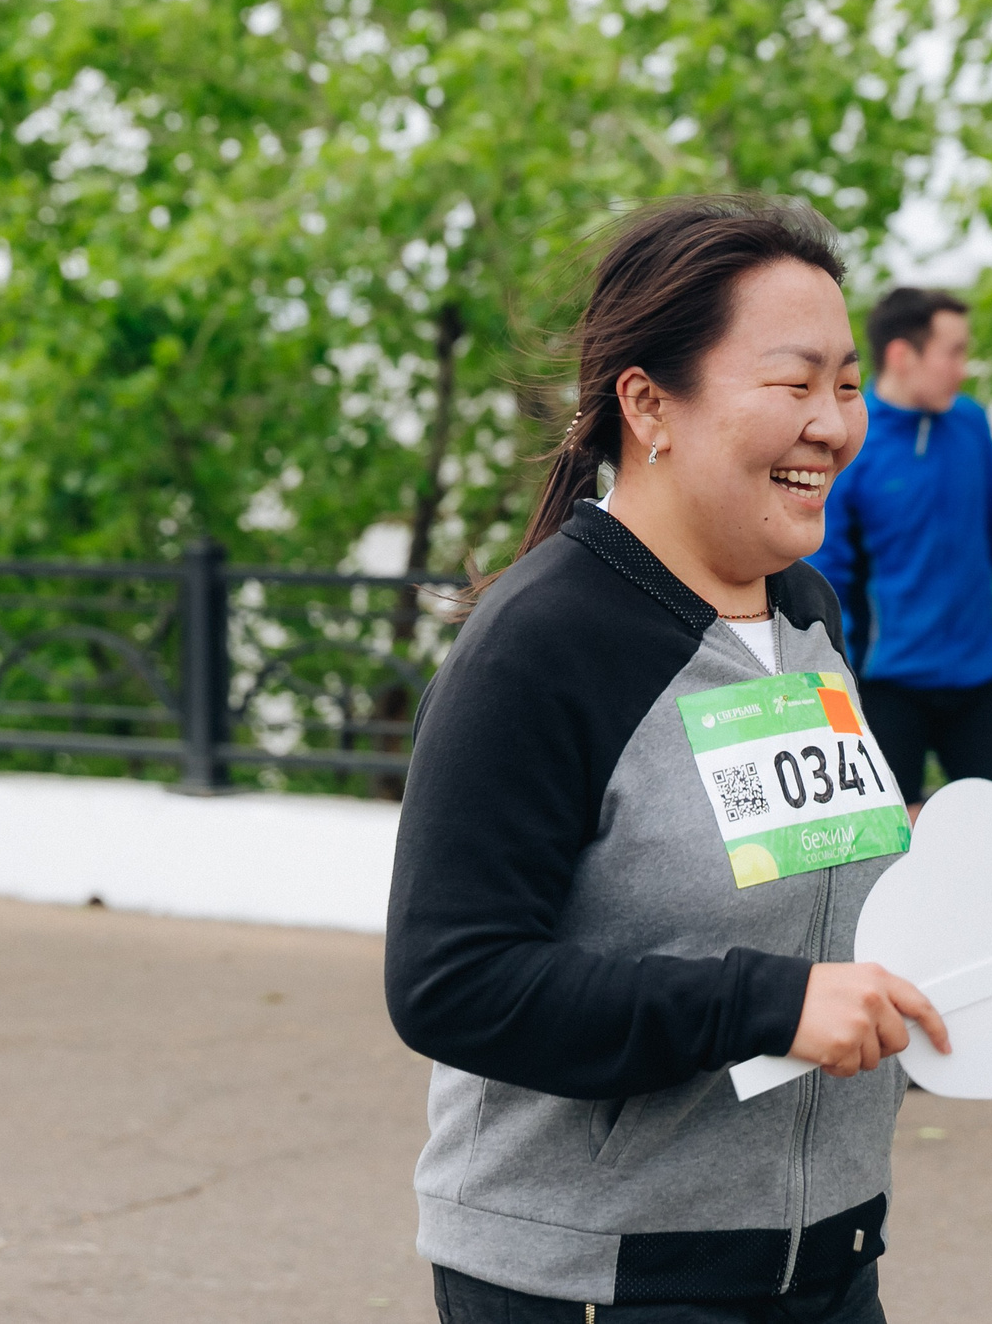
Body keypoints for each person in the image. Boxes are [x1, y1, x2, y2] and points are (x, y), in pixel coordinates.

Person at [385, 196, 952, 1323]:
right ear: (650, 404)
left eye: (845, 386)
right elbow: (452, 983)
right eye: (793, 385)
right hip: (605, 1279)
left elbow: (803, 875)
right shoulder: (543, 645)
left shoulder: (805, 612)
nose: (835, 424)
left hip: (826, 1259)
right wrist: (763, 1005)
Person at [809, 288, 992, 809]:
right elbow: (824, 574)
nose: (964, 368)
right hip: (884, 684)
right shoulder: (853, 441)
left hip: (976, 678)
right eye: (954, 352)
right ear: (903, 355)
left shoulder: (970, 424)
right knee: (897, 855)